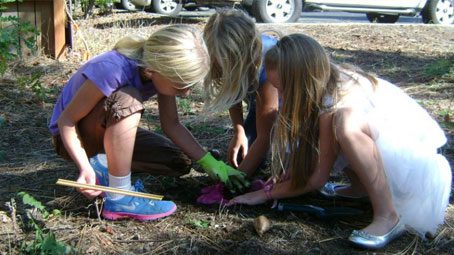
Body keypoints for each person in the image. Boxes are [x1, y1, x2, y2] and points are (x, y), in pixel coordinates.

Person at [228, 33, 452, 249]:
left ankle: (387, 215)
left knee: (345, 124)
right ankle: (359, 188)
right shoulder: (323, 85)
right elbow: (318, 151)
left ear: (302, 81)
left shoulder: (337, 97)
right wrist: (293, 174)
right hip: (393, 159)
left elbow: (318, 177)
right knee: (338, 128)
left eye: (282, 88)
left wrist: (264, 194)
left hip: (411, 165)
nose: (280, 95)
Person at [49, 24, 247, 221]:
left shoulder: (158, 72)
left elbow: (172, 125)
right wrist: (84, 166)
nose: (185, 93)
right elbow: (66, 121)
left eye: (189, 86)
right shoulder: (112, 69)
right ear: (153, 70)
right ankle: (120, 197)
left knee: (178, 161)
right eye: (181, 84)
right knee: (129, 99)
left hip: (102, 135)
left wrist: (210, 163)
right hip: (73, 139)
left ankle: (104, 166)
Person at [203, 8, 279, 178]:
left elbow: (265, 134)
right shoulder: (225, 56)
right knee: (244, 151)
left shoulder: (270, 65)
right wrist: (239, 131)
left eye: (231, 61)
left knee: (254, 157)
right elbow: (232, 91)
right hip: (257, 101)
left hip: (285, 108)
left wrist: (237, 179)